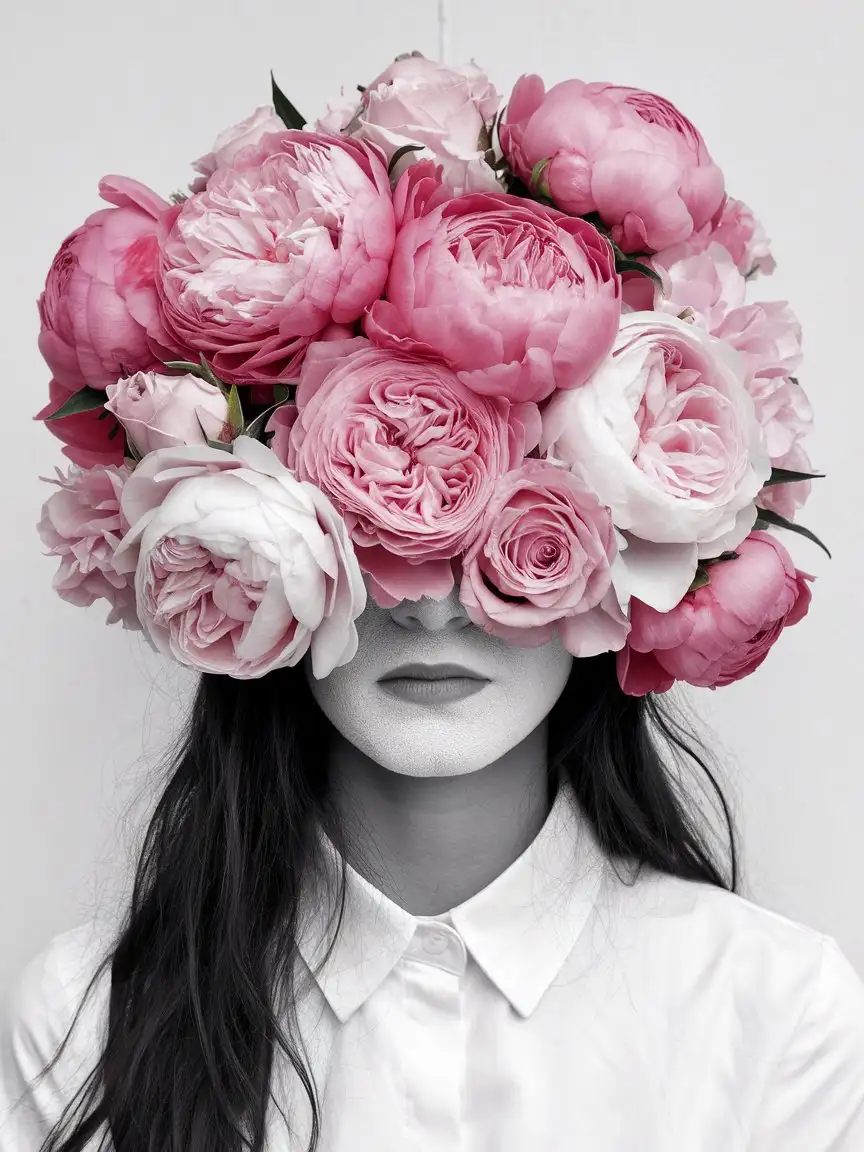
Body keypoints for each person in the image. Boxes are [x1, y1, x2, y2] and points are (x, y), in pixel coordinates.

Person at [3, 49, 864, 1152]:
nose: (433, 608)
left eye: (500, 522)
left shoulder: (775, 1015)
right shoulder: (84, 1024)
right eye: (369, 524)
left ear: (627, 546)